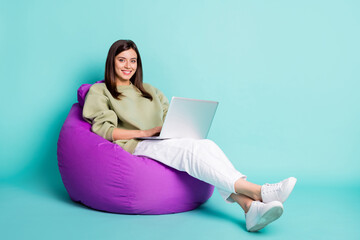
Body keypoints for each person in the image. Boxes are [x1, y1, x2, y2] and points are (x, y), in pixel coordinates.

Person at [82, 39, 297, 232]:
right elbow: (105, 130)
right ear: (112, 62)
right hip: (135, 144)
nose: (128, 66)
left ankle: (250, 208)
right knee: (190, 152)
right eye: (122, 60)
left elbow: (169, 118)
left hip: (162, 139)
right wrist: (144, 132)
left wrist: (179, 129)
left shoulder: (150, 91)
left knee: (206, 145)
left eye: (133, 61)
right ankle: (258, 191)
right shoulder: (100, 91)